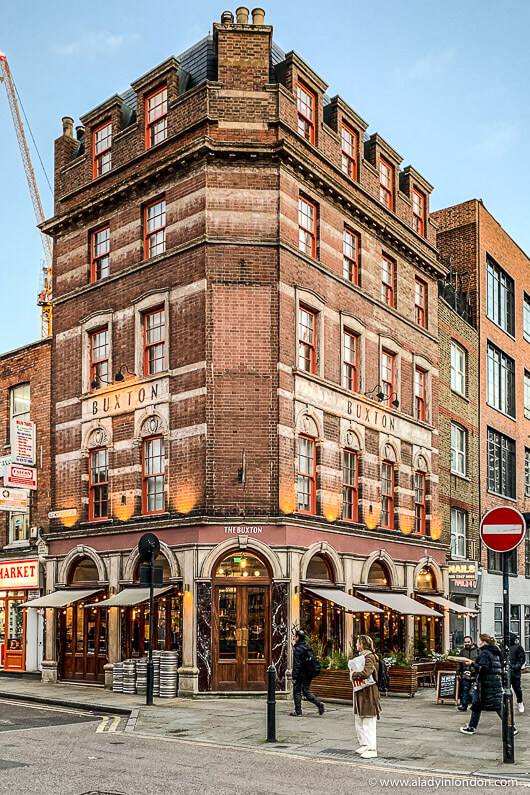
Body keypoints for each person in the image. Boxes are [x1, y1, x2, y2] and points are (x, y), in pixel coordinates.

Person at [460, 634, 517, 736]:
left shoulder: (484, 653)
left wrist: (472, 664)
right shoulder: (496, 652)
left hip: (486, 685)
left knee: (495, 706)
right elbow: (493, 668)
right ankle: (471, 727)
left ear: (484, 642)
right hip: (494, 682)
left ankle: (511, 727)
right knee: (478, 705)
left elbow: (484, 668)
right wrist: (473, 673)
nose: (479, 643)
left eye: (480, 641)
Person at [349, 634, 381, 759]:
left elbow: (367, 672)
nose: (356, 645)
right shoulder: (362, 657)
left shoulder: (370, 657)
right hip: (360, 691)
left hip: (369, 692)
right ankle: (364, 744)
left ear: (362, 644)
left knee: (368, 720)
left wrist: (353, 675)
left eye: (358, 642)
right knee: (359, 719)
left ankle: (372, 748)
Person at [290, 629, 325, 717]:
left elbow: (296, 664)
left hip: (300, 674)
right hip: (308, 674)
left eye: (295, 636)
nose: (294, 638)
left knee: (297, 691)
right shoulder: (307, 647)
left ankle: (298, 711)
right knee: (306, 691)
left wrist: (294, 677)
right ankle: (318, 703)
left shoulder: (298, 649)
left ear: (297, 637)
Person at [454, 636, 479, 712]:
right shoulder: (462, 652)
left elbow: (479, 663)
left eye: (468, 642)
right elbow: (459, 663)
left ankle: (476, 705)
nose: (467, 643)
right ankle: (464, 705)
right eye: (465, 642)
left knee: (475, 691)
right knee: (465, 689)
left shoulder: (478, 651)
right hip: (465, 674)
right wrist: (458, 673)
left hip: (475, 674)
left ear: (472, 642)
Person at [509, 632, 525, 713]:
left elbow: (521, 659)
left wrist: (515, 667)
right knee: (505, 689)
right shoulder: (503, 648)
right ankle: (506, 704)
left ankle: (520, 701)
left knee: (517, 688)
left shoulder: (518, 648)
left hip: (515, 672)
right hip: (506, 672)